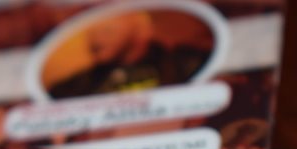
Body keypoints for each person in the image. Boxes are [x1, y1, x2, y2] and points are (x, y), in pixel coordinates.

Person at [48, 11, 211, 99]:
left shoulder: (191, 63)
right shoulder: (75, 86)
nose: (96, 39)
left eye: (107, 29)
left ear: (140, 23)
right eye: (91, 31)